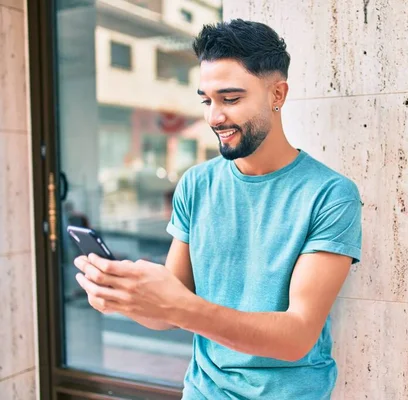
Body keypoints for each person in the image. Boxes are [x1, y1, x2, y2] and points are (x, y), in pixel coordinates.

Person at [74, 19, 362, 399]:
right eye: (207, 100)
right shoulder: (196, 185)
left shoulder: (330, 194)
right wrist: (124, 298)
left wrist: (180, 306)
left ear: (277, 94)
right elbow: (169, 311)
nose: (213, 117)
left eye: (231, 99)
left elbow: (297, 336)